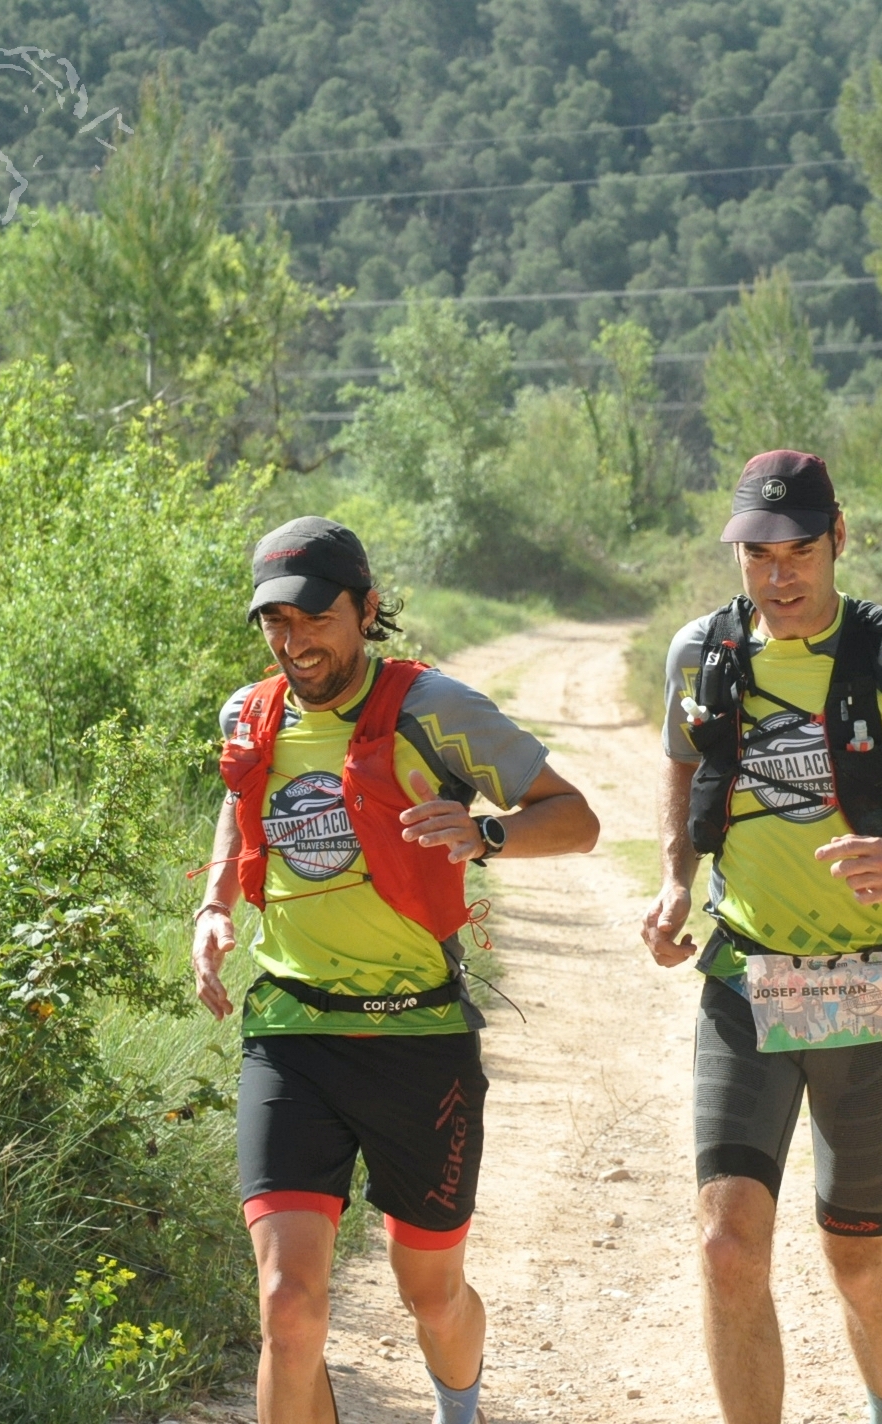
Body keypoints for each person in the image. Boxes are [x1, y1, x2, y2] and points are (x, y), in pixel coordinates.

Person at [642, 452, 882, 1424]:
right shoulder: (701, 652)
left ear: (838, 539)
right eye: (758, 555)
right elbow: (684, 761)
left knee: (856, 1257)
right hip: (743, 979)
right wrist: (675, 878)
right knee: (726, 1244)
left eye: (799, 552)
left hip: (868, 984)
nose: (778, 576)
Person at [191, 517, 600, 1424]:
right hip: (292, 1034)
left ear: (367, 609)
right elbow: (238, 799)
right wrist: (214, 906)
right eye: (276, 622)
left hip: (419, 1040)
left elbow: (577, 820)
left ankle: (460, 1406)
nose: (295, 642)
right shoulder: (250, 712)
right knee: (288, 1308)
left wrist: (487, 833)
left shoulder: (434, 710)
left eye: (316, 618)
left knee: (433, 1297)